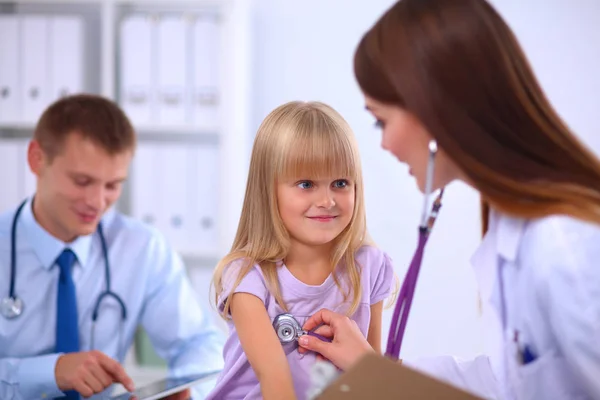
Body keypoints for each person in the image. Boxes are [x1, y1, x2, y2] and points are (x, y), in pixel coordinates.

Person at [297, 0, 600, 399]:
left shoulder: (563, 245)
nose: (385, 144)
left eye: (381, 120)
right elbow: (507, 384)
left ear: (435, 106)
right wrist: (374, 369)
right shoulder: (512, 227)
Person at [0, 94, 225, 400]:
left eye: (112, 185)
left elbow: (200, 344)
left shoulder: (140, 247)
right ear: (36, 159)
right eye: (82, 181)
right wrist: (51, 372)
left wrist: (190, 393)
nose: (97, 203)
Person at [205, 101, 395, 400]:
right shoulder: (247, 276)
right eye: (307, 184)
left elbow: (370, 373)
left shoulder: (371, 265)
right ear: (268, 190)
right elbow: (275, 380)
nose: (327, 200)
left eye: (340, 183)